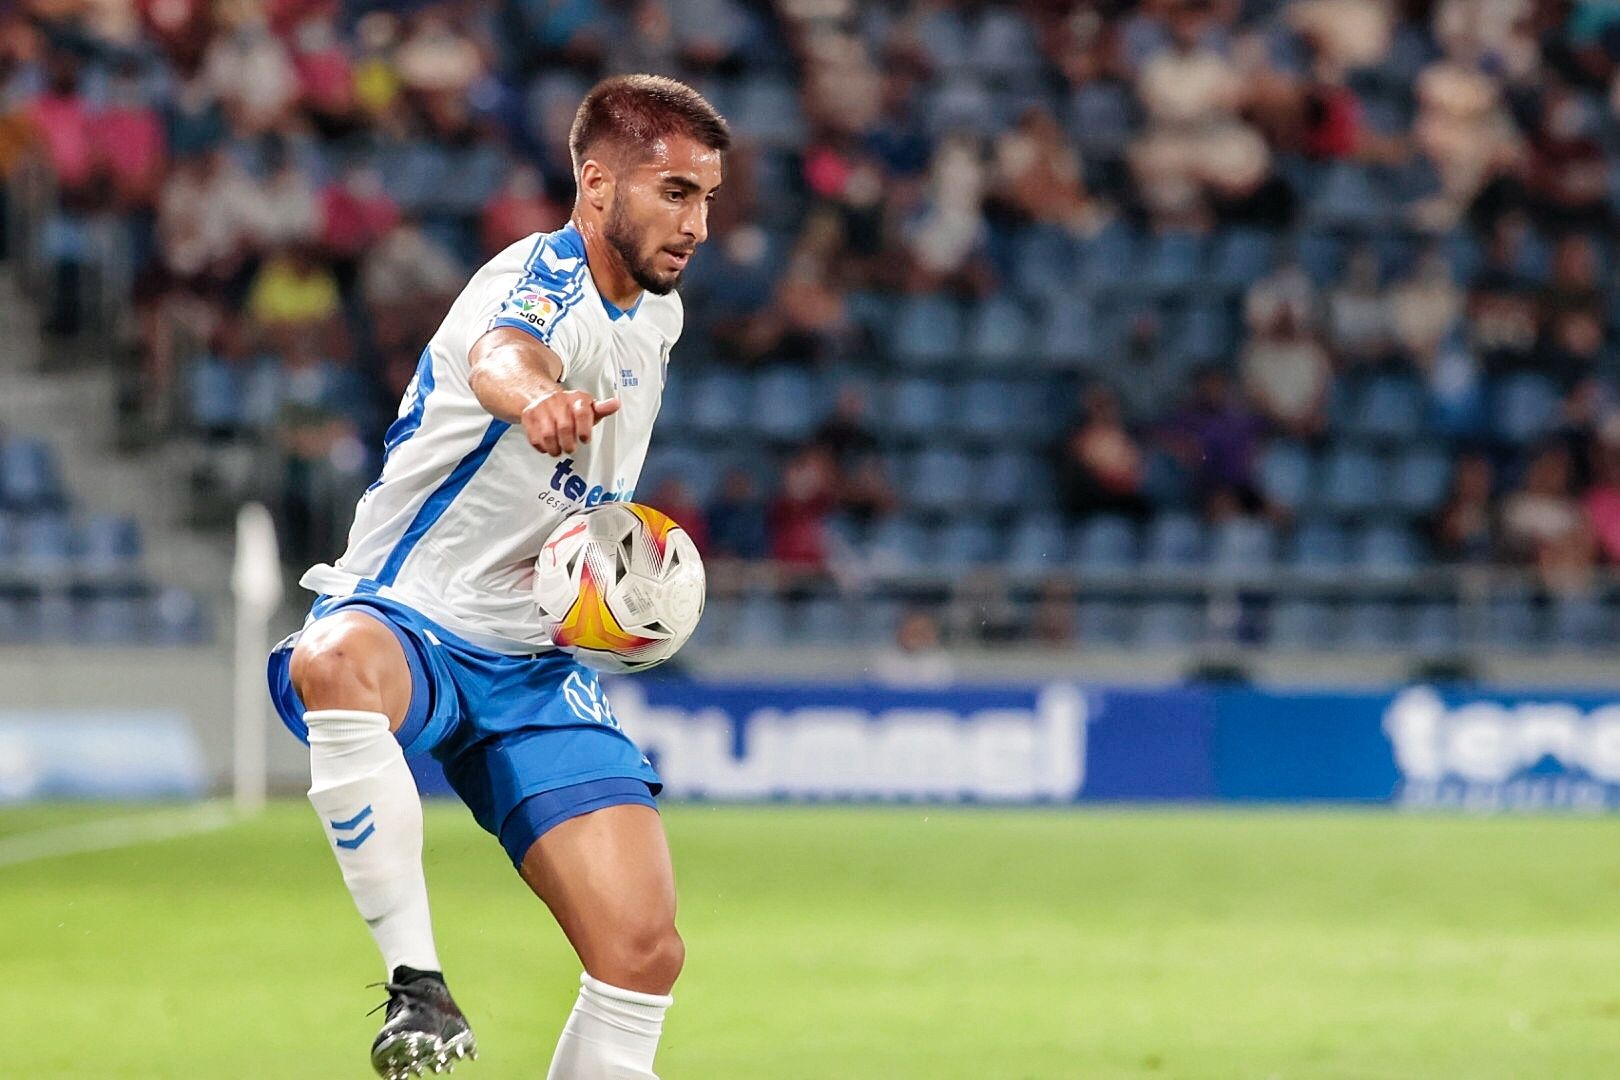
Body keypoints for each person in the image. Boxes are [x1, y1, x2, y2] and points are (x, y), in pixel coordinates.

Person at [264, 75, 728, 1080]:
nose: (698, 222)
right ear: (597, 186)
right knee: (333, 657)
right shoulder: (536, 283)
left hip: (531, 656)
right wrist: (535, 403)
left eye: (707, 198)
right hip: (412, 615)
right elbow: (501, 354)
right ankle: (415, 987)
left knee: (643, 954)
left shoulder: (659, 314)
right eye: (676, 191)